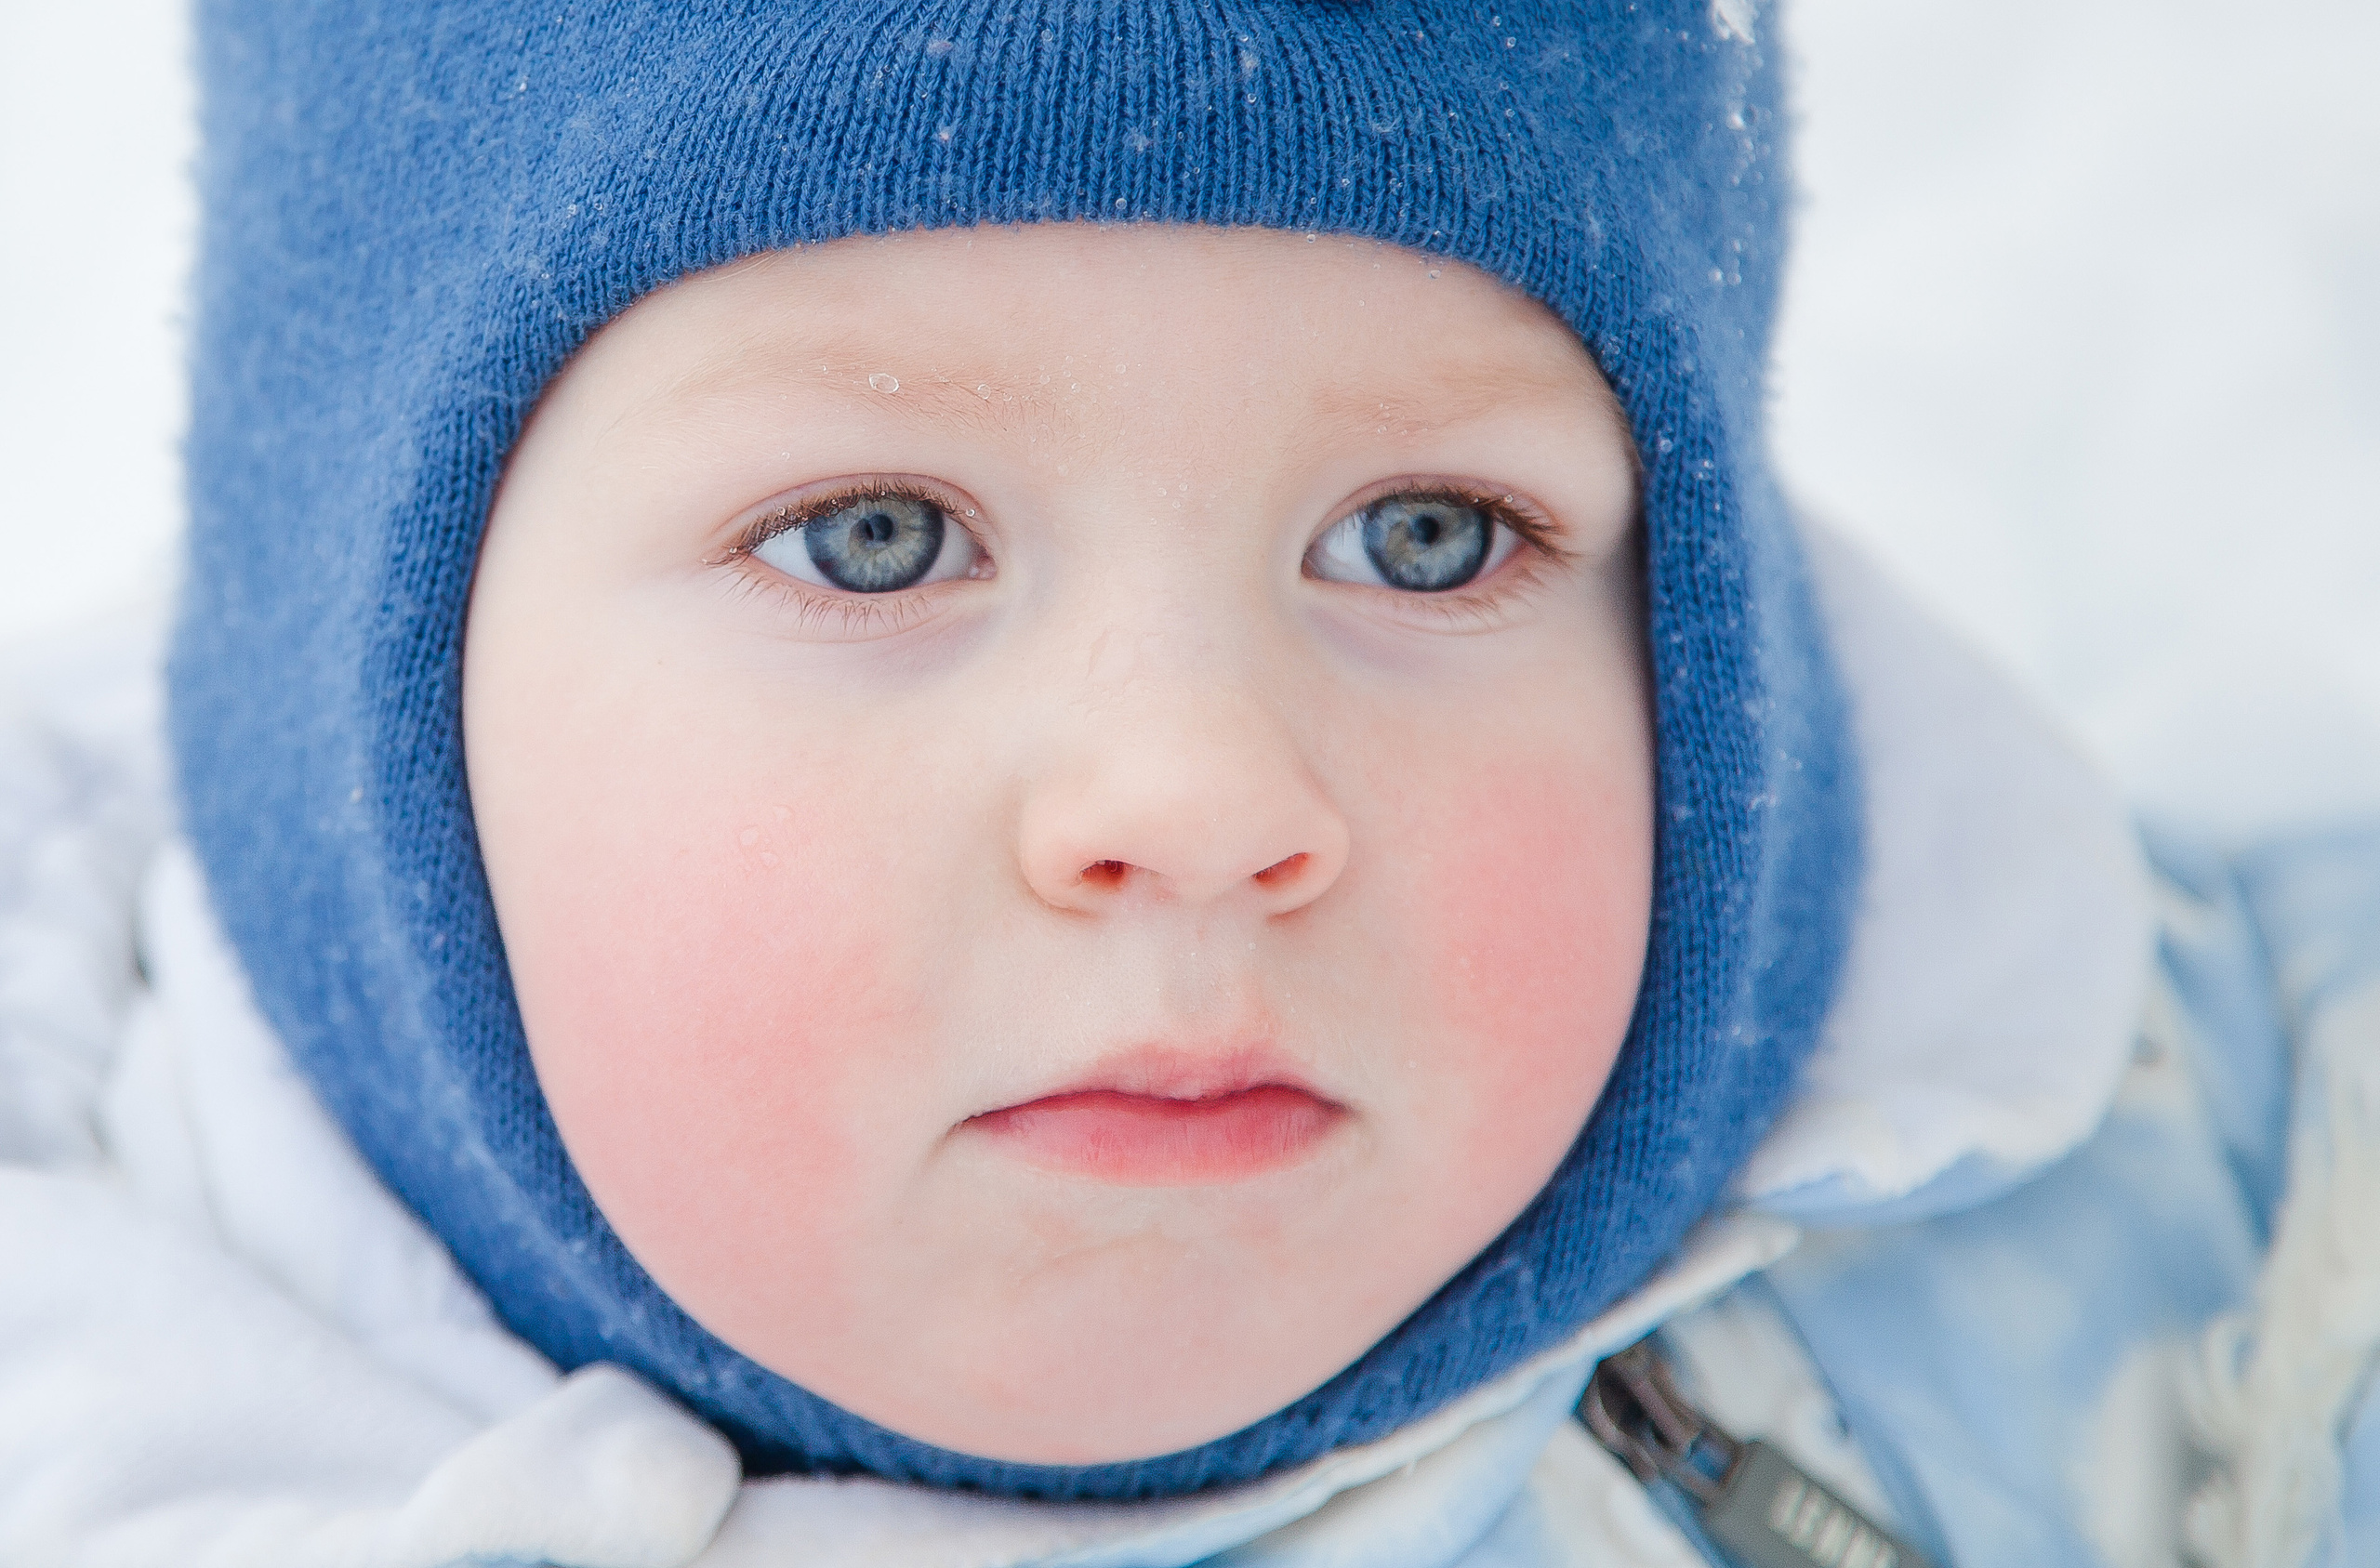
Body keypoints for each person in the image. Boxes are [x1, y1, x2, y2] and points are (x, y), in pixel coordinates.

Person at [0, 4, 2373, 1565]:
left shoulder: (2260, 1178)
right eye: (877, 538)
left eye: (1427, 539)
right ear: (372, 681)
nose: (1203, 790)